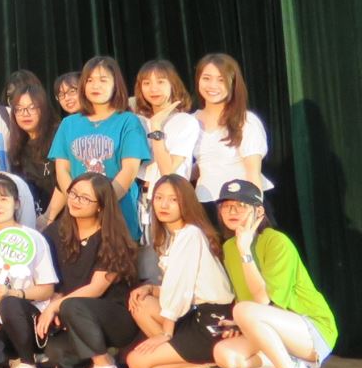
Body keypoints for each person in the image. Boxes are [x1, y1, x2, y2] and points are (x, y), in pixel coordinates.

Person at [212, 180, 337, 368]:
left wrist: (245, 252)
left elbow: (262, 300)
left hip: (310, 329)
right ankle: (290, 364)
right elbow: (247, 300)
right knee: (224, 354)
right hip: (270, 324)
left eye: (241, 205)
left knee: (244, 310)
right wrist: (238, 323)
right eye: (226, 206)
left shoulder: (276, 241)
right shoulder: (229, 248)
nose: (232, 211)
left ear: (259, 212)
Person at [125, 174, 238, 368]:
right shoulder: (172, 236)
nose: (164, 205)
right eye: (159, 198)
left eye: (173, 199)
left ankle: (216, 366)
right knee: (141, 303)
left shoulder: (190, 234)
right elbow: (181, 287)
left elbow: (180, 289)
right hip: (193, 314)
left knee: (136, 362)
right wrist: (150, 289)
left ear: (185, 203)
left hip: (211, 320)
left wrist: (166, 333)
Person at [34, 172, 141, 368]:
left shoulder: (113, 238)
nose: (75, 200)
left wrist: (56, 305)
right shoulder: (55, 232)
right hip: (73, 315)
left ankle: (105, 367)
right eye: (73, 194)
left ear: (101, 206)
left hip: (113, 316)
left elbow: (96, 288)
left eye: (85, 198)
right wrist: (54, 297)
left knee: (72, 305)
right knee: (55, 351)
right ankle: (97, 365)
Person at [0, 174, 58, 368]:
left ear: (16, 203)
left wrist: (14, 294)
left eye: (3, 199)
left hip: (29, 316)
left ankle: (29, 365)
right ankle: (15, 359)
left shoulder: (33, 238)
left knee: (9, 303)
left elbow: (47, 289)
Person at [49, 56, 149, 236]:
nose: (96, 86)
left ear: (115, 84)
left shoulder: (128, 121)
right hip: (79, 220)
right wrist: (78, 202)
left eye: (103, 80)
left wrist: (101, 204)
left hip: (118, 215)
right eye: (89, 80)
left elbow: (129, 170)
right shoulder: (68, 124)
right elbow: (62, 170)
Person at [133, 59, 200, 234]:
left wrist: (156, 129)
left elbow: (168, 172)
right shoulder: (137, 121)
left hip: (170, 200)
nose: (153, 89)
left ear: (173, 84)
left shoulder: (185, 121)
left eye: (161, 82)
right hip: (139, 199)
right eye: (146, 83)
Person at [192, 53, 270, 203]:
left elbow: (253, 173)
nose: (212, 85)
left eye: (221, 80)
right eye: (206, 78)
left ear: (233, 83)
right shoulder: (190, 121)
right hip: (204, 201)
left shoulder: (246, 121)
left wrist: (253, 208)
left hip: (239, 202)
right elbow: (206, 162)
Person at [6, 79, 58, 217]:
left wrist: (48, 218)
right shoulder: (17, 149)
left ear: (44, 109)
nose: (25, 113)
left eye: (32, 107)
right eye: (19, 109)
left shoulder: (58, 135)